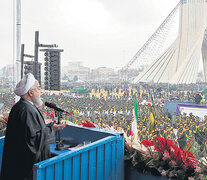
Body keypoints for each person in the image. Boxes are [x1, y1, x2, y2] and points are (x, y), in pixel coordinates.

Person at [0, 73, 66, 180]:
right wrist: (51, 128)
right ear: (31, 92)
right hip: (24, 170)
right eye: (38, 89)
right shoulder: (26, 110)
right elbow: (33, 140)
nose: (40, 92)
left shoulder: (21, 106)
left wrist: (50, 128)